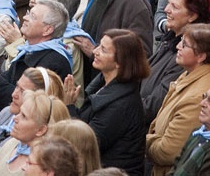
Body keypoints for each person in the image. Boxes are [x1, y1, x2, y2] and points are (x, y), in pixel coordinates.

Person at [64, 29, 150, 176]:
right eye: (98, 46)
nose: (95, 51)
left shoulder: (121, 105)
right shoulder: (103, 83)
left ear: (119, 62)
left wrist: (69, 106)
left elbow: (85, 144)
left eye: (103, 50)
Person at [146, 24, 210, 176]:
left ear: (201, 56)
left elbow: (168, 152)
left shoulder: (198, 97)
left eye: (184, 44)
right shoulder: (190, 73)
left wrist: (142, 140)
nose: (177, 46)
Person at [0, 0, 72, 109]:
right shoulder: (29, 50)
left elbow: (27, 103)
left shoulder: (54, 61)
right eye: (28, 13)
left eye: (32, 16)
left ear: (47, 30)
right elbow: (8, 82)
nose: (25, 17)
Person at [141, 0, 210, 125]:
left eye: (174, 7)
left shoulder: (186, 58)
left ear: (192, 16)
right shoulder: (170, 40)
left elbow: (153, 106)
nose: (166, 10)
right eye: (168, 4)